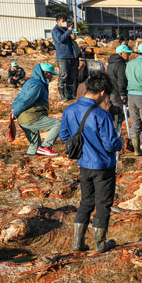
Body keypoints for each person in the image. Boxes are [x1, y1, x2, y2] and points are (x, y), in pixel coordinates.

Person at [59, 72, 123, 254]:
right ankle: (100, 244)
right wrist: (120, 142)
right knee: (103, 204)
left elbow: (64, 136)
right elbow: (110, 144)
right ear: (102, 92)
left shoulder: (69, 110)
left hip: (84, 163)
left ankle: (78, 243)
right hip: (103, 165)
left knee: (86, 202)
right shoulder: (102, 115)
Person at [11, 63, 61, 157]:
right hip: (31, 117)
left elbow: (19, 97)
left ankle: (30, 160)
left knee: (35, 144)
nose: (52, 76)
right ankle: (46, 147)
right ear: (45, 72)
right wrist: (15, 112)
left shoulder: (30, 81)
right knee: (58, 124)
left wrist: (14, 109)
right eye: (51, 74)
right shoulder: (37, 85)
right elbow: (26, 101)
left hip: (24, 118)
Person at [52, 13, 79, 101]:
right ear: (58, 21)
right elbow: (60, 39)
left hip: (72, 55)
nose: (65, 23)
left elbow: (70, 39)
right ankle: (62, 94)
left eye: (65, 21)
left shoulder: (65, 30)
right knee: (64, 75)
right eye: (63, 21)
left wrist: (72, 34)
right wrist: (68, 32)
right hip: (63, 56)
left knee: (72, 76)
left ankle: (71, 93)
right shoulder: (55, 30)